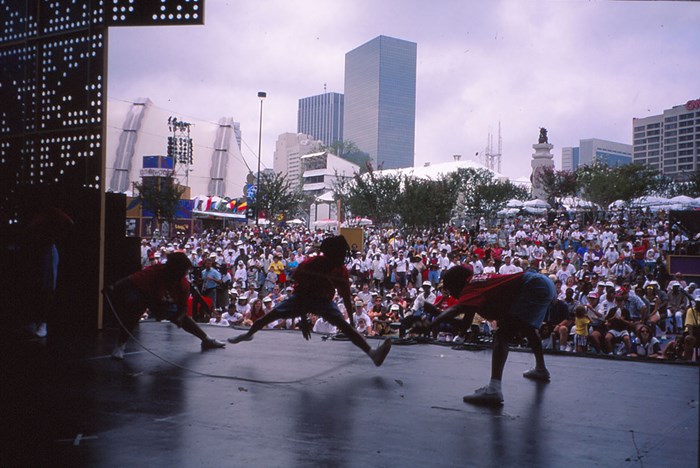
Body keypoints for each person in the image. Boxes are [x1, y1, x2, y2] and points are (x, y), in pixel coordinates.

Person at [227, 236, 392, 367]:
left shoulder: (340, 271)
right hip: (301, 297)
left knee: (346, 328)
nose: (343, 256)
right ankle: (249, 334)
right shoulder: (312, 264)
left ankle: (373, 354)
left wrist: (352, 324)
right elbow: (300, 288)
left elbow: (347, 299)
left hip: (323, 301)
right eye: (341, 254)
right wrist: (304, 319)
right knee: (268, 317)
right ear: (332, 254)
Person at [418, 266, 556, 406]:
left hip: (534, 285)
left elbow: (456, 309)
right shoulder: (477, 284)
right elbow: (465, 325)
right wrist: (436, 313)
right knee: (529, 329)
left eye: (450, 290)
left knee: (501, 336)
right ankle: (541, 369)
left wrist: (431, 324)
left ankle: (494, 389)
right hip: (542, 284)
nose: (452, 295)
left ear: (456, 284)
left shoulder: (471, 285)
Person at [106, 252, 226, 360]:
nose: (184, 274)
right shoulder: (153, 272)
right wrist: (113, 287)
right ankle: (120, 345)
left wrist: (179, 317)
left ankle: (206, 339)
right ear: (173, 268)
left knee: (183, 318)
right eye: (182, 271)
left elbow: (183, 307)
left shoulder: (183, 284)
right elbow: (129, 280)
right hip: (143, 295)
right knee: (134, 307)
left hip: (162, 301)